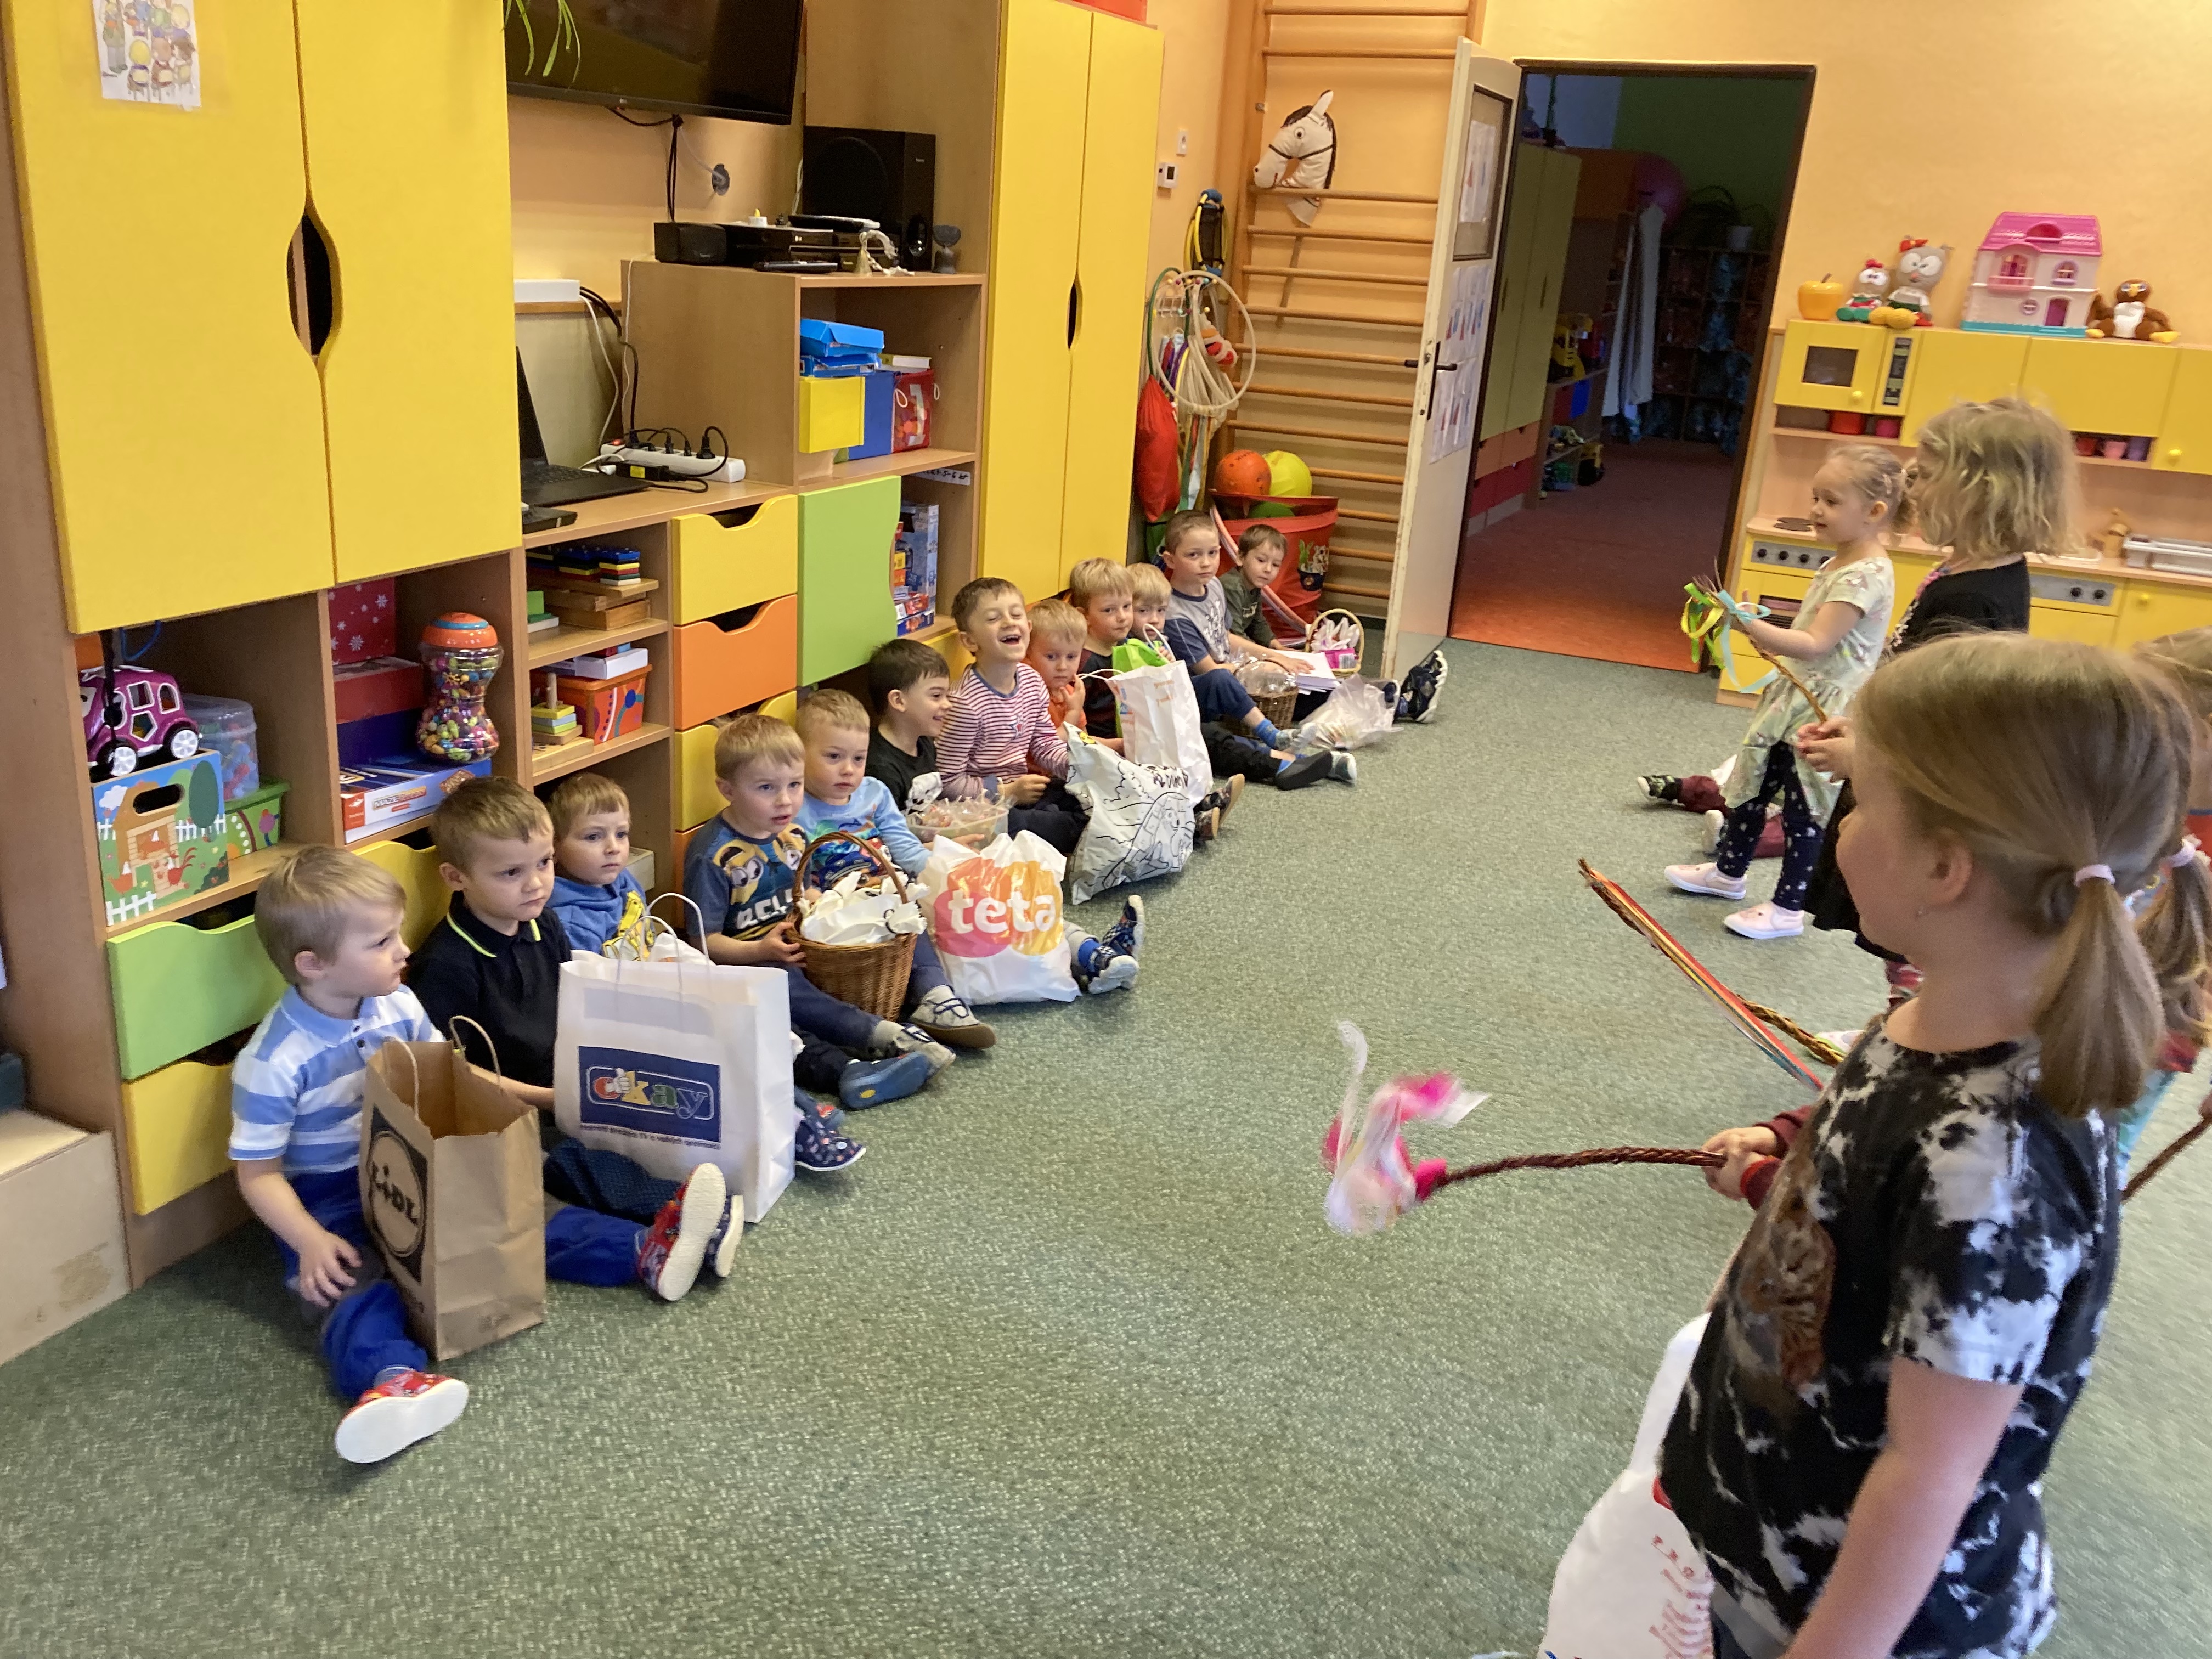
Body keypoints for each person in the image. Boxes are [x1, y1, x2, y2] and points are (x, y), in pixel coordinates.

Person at [1669, 632, 2209, 1659]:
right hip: (1775, 1550)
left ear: (1945, 866)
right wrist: (1782, 1153)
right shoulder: (1935, 1017)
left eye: (1864, 800)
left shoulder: (1993, 1163)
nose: (1841, 825)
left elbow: (1931, 1469)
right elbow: (1869, 1164)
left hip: (1847, 1615)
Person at [230, 845, 727, 1463]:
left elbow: (447, 1074)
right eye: (381, 942)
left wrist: (541, 1102)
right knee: (349, 1282)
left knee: (514, 1215)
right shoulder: (274, 1061)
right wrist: (307, 1240)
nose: (404, 951)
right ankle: (390, 1380)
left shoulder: (398, 1003)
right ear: (314, 964)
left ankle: (644, 1250)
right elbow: (257, 1175)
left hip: (412, 1158)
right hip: (326, 1193)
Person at [1790, 398, 2055, 992]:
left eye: (1927, 474)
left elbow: (1953, 731)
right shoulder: (1967, 570)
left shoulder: (1975, 599)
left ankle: (1914, 1029)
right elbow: (1919, 687)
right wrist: (1864, 729)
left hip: (1925, 789)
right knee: (1902, 937)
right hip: (1901, 763)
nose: (1911, 485)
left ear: (1980, 491)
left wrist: (1864, 757)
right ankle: (1903, 1023)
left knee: (1921, 936)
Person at [1662, 447, 1903, 939]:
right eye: (1816, 498)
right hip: (1793, 696)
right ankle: (1728, 874)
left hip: (1823, 709)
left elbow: (1816, 644)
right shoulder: (1839, 562)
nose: (1816, 510)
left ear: (1874, 512)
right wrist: (1765, 628)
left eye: (1831, 501)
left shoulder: (1865, 575)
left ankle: (1787, 909)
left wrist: (1750, 626)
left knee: (1804, 808)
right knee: (1753, 786)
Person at [1115, 555, 1340, 792]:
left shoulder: (1159, 638)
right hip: (1159, 719)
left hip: (1177, 706)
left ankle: (1272, 735)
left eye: (1161, 611)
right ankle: (1292, 761)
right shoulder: (1127, 644)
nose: (1154, 619)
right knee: (1213, 737)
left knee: (1219, 685)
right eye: (1143, 611)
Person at [936, 576, 1089, 854]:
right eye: (994, 618)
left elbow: (1045, 744)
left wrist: (1078, 768)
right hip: (986, 807)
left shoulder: (1032, 680)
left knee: (1090, 803)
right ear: (970, 641)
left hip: (1024, 791)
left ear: (1028, 628)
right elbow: (947, 782)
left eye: (1016, 615)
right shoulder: (964, 704)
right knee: (1063, 826)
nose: (1009, 622)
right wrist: (1006, 792)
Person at [545, 771, 651, 958]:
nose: (614, 848)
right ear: (553, 848)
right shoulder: (571, 923)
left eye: (621, 834)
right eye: (593, 837)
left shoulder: (619, 877)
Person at [864, 636, 952, 814]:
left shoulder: (925, 744)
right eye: (936, 696)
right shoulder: (880, 769)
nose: (948, 704)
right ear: (898, 701)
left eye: (946, 695)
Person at [1023, 596, 1091, 733]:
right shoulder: (1029, 698)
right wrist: (1073, 712)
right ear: (1027, 654)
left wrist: (1118, 743)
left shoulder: (1070, 693)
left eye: (1071, 657)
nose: (1062, 667)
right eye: (1052, 657)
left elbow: (1083, 740)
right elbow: (1046, 744)